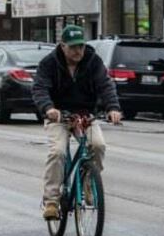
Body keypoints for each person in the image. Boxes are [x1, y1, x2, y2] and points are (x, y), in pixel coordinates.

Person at [31, 24, 122, 220]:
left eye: (80, 46)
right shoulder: (49, 63)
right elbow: (40, 88)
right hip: (59, 115)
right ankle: (51, 201)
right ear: (62, 46)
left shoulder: (93, 61)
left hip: (85, 115)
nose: (78, 51)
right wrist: (48, 108)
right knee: (58, 152)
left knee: (97, 145)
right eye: (73, 47)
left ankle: (89, 183)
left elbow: (105, 85)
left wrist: (113, 108)